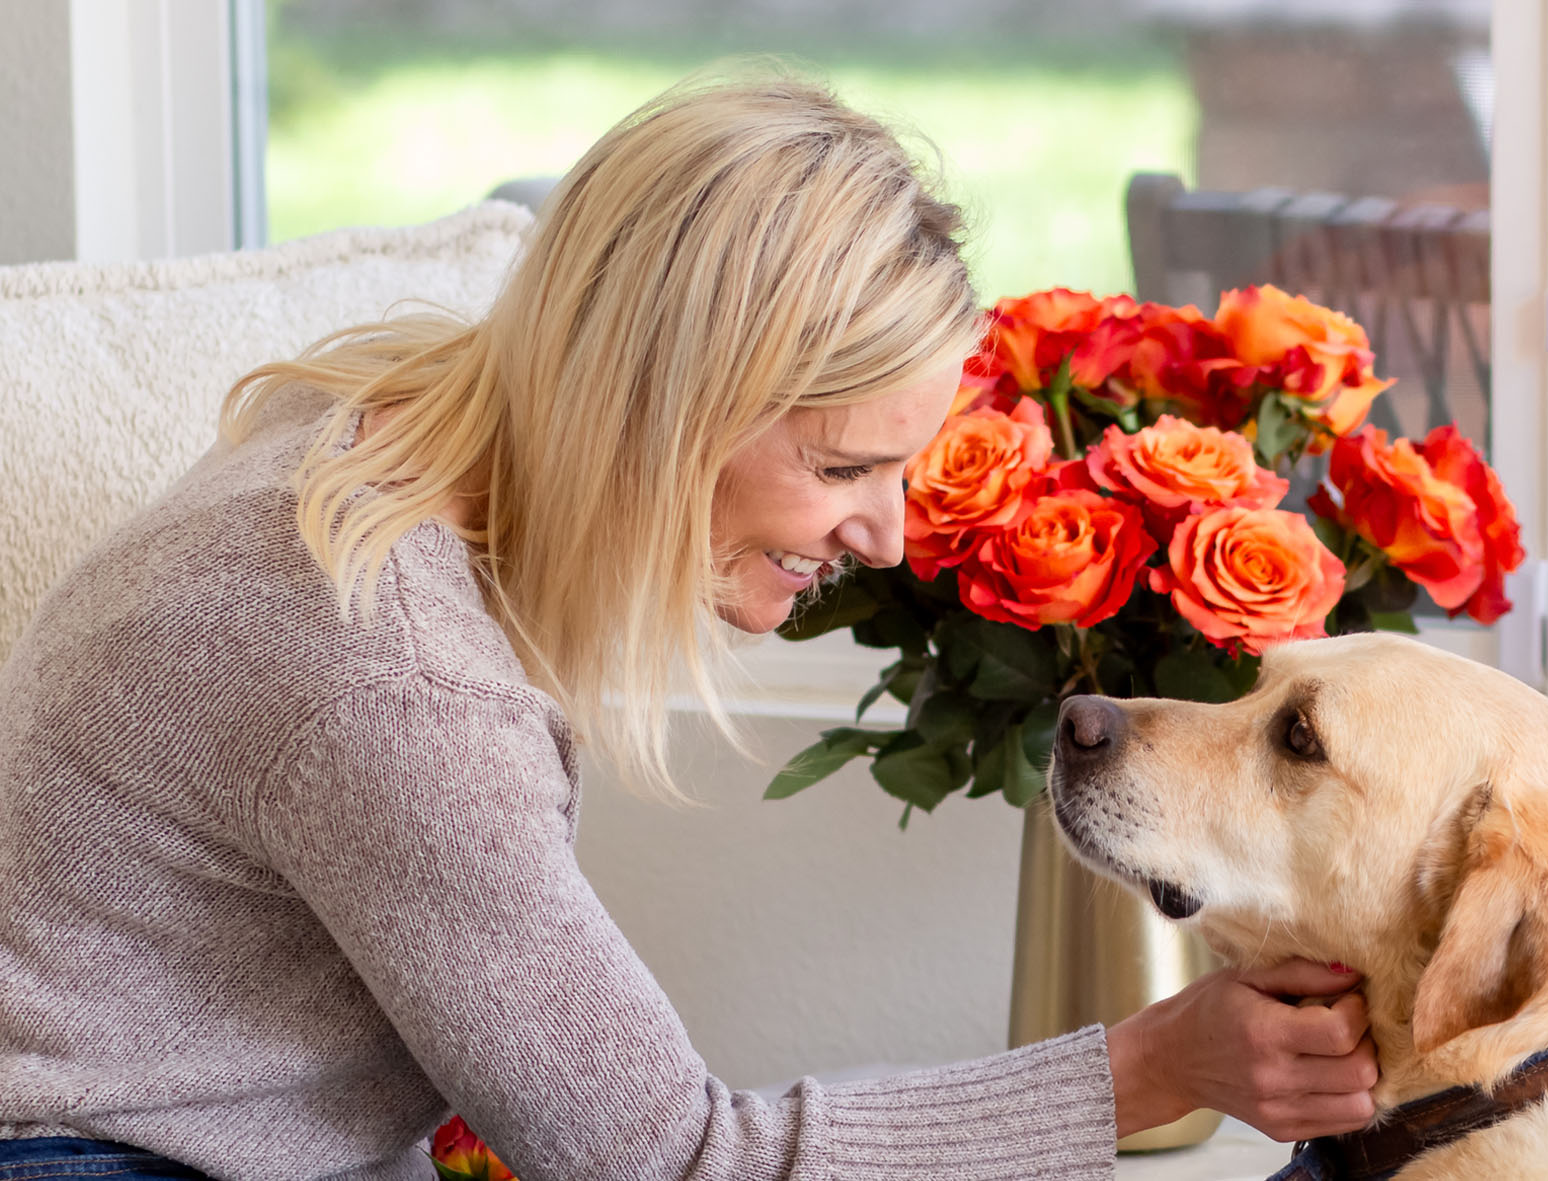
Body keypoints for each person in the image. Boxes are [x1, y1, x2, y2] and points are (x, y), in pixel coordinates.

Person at [0, 71, 1376, 1180]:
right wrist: (1154, 1064)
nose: (887, 536)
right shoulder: (389, 679)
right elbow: (669, 1162)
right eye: (842, 470)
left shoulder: (388, 421)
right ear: (656, 410)